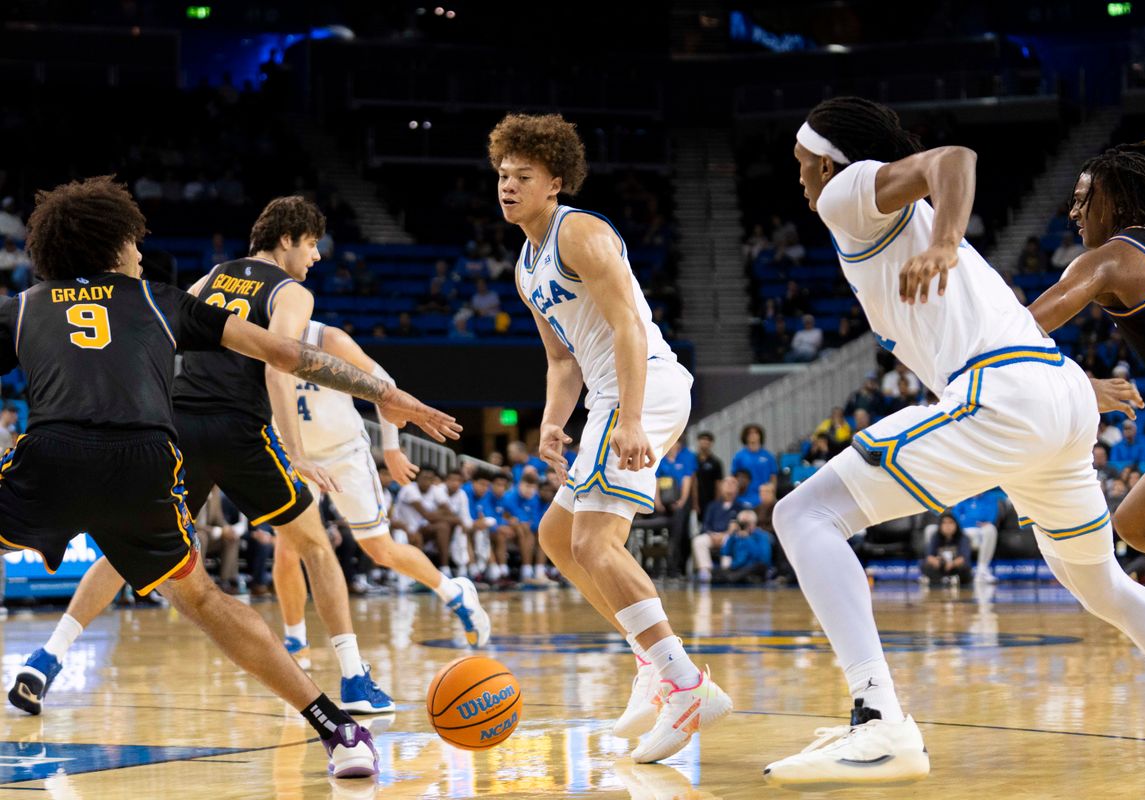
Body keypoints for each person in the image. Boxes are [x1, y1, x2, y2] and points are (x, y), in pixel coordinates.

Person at [765, 97, 1145, 786]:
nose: (800, 178)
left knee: (803, 514)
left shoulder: (846, 192)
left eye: (801, 164)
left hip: (1005, 396)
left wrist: (941, 241)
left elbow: (953, 160)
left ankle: (877, 724)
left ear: (827, 160)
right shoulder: (895, 217)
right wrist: (1078, 381)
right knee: (1104, 587)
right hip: (1051, 393)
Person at [0, 176, 450, 777]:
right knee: (206, 599)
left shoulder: (24, 307)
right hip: (149, 461)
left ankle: (49, 656)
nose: (140, 253)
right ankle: (338, 727)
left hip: (57, 455)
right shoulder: (162, 299)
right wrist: (388, 395)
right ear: (112, 246)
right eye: (134, 242)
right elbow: (289, 357)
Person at [492, 112, 730, 764]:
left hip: (642, 387)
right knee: (556, 537)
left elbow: (628, 325)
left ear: (556, 181)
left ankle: (684, 683)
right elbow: (563, 360)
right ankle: (651, 663)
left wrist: (625, 417)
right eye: (503, 175)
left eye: (523, 176)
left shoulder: (584, 234)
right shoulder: (525, 264)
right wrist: (549, 420)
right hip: (608, 396)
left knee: (596, 540)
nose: (508, 186)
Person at [1027, 135, 1145, 572]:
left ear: (1117, 203)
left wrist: (1075, 383)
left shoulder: (1111, 259)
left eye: (1083, 200)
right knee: (1136, 523)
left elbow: (1019, 329)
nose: (1073, 213)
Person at [278, 321, 490, 648]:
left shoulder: (328, 338)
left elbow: (384, 384)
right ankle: (295, 643)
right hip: (295, 456)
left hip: (343, 453)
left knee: (379, 549)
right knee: (287, 551)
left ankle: (453, 591)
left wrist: (391, 448)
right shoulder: (259, 335)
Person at [655, 440, 696, 578]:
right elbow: (656, 480)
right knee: (657, 535)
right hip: (663, 503)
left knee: (678, 535)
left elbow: (687, 480)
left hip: (678, 504)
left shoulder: (684, 459)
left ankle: (676, 568)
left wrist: (681, 501)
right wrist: (657, 502)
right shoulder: (661, 461)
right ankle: (657, 568)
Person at [692, 476, 745, 583]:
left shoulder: (741, 507)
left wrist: (727, 533)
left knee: (730, 540)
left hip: (728, 536)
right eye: (727, 483)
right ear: (721, 487)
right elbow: (705, 525)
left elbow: (741, 527)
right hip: (713, 535)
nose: (729, 485)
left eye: (733, 483)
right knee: (699, 541)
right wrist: (711, 534)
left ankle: (726, 571)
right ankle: (705, 571)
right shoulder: (712, 506)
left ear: (737, 488)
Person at [712, 510, 773, 585]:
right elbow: (725, 552)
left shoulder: (762, 536)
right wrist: (730, 535)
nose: (744, 526)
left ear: (754, 523)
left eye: (747, 524)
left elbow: (764, 559)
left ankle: (734, 578)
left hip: (754, 567)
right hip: (737, 567)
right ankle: (735, 578)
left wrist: (748, 539)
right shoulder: (735, 536)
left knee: (757, 567)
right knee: (714, 572)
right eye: (741, 523)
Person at [731, 424, 778, 507]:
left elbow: (773, 477)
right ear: (745, 436)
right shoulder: (739, 456)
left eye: (756, 433)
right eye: (749, 433)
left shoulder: (768, 456)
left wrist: (772, 493)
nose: (753, 435)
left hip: (763, 496)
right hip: (744, 497)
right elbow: (734, 477)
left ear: (760, 436)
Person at [921, 513, 973, 585]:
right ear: (940, 525)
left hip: (955, 567)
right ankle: (941, 579)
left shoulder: (963, 537)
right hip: (940, 566)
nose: (947, 526)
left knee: (965, 568)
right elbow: (929, 556)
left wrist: (952, 563)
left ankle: (951, 579)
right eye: (944, 523)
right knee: (924, 565)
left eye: (951, 523)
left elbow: (964, 558)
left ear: (956, 525)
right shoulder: (935, 536)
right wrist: (936, 561)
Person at [693, 431, 724, 515]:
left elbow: (718, 483)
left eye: (708, 440)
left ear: (711, 443)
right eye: (702, 439)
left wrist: (717, 502)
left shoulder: (715, 462)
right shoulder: (692, 460)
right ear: (698, 442)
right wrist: (694, 502)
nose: (705, 442)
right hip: (695, 499)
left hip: (710, 499)